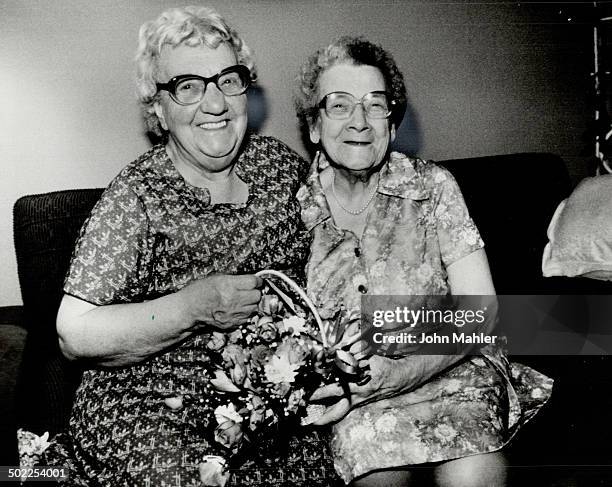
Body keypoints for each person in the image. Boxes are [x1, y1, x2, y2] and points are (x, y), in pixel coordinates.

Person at [48, 7, 342, 486]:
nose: (215, 103)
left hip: (266, 401)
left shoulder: (280, 168)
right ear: (158, 110)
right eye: (188, 85)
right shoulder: (138, 195)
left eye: (228, 80)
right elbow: (73, 333)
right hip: (153, 406)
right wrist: (192, 307)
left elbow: (346, 266)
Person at [295, 36, 553, 487]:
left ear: (392, 125)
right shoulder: (292, 210)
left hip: (450, 367)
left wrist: (398, 371)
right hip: (359, 396)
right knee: (377, 474)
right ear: (314, 126)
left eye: (375, 105)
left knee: (472, 475)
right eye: (339, 105)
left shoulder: (433, 188)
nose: (359, 121)